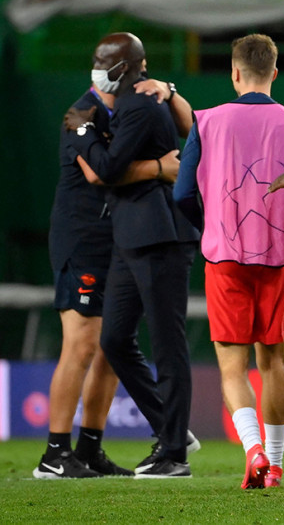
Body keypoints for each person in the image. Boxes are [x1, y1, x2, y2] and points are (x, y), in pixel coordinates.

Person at [173, 34, 284, 489]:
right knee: (274, 363)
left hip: (224, 256)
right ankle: (279, 465)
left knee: (232, 366)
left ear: (234, 73)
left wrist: (209, 225)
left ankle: (254, 450)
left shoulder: (205, 123)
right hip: (276, 256)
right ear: (275, 73)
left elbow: (182, 193)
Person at [35, 68, 188, 480]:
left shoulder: (132, 104)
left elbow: (188, 124)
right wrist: (158, 167)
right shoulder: (80, 115)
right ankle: (54, 452)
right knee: (81, 344)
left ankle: (89, 449)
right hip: (81, 238)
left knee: (107, 347)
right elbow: (99, 173)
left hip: (115, 236)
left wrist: (170, 91)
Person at [63, 32, 201, 478]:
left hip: (158, 232)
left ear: (124, 67)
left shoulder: (138, 105)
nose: (98, 68)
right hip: (131, 234)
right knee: (114, 339)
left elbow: (106, 168)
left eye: (104, 61)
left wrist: (81, 132)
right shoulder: (142, 98)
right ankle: (168, 423)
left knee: (167, 339)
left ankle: (174, 450)